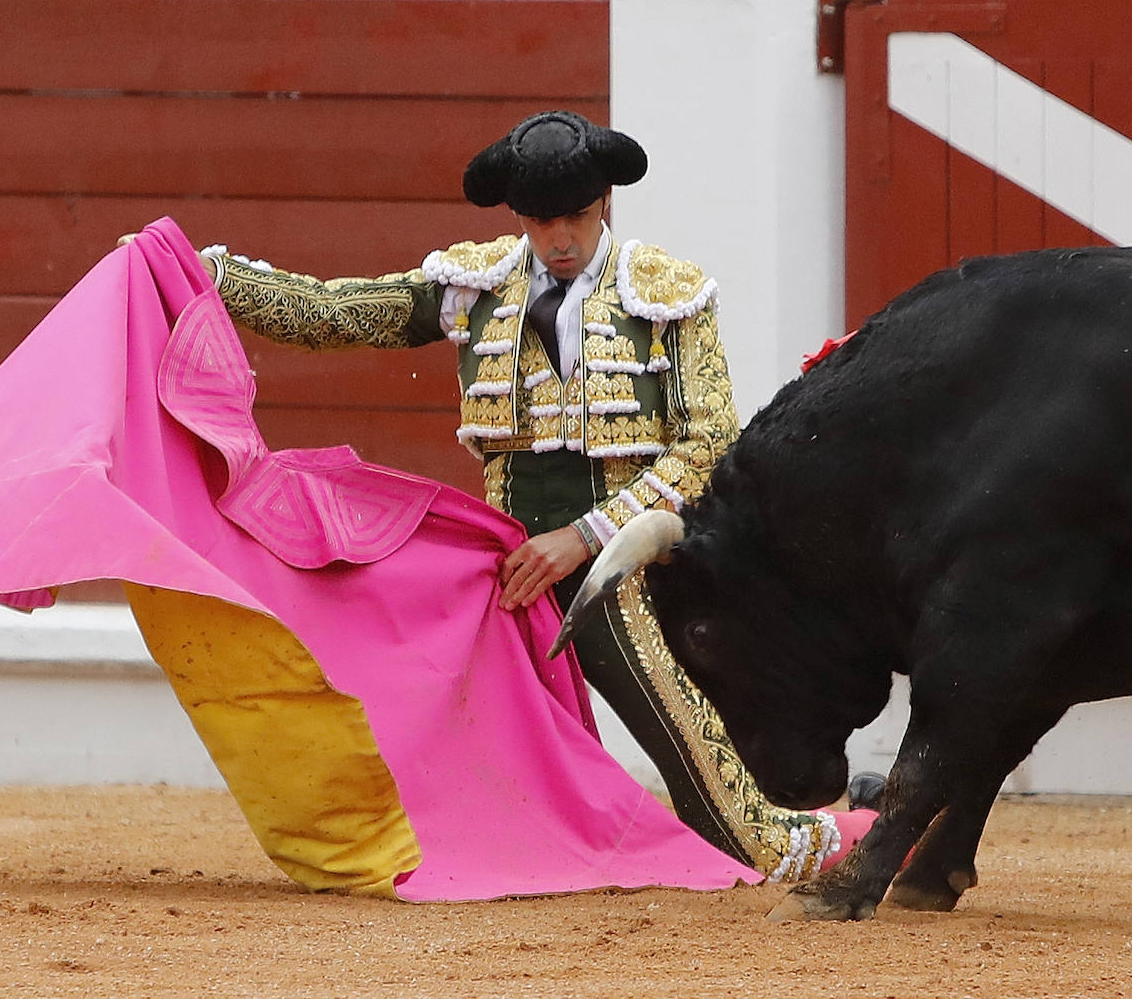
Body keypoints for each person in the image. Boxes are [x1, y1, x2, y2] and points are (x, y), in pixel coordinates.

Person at [174, 110, 875, 880]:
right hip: (507, 564)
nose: (560, 239)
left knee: (723, 818)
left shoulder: (668, 296)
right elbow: (339, 317)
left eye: (575, 216)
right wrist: (207, 275)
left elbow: (707, 443)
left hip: (629, 568)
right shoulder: (475, 288)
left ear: (604, 200)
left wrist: (585, 537)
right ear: (519, 217)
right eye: (542, 222)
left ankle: (866, 825)